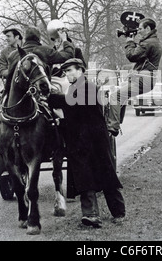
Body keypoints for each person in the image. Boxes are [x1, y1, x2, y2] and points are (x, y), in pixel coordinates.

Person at [0, 26, 75, 170]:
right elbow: (67, 55)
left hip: (16, 96)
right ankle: (65, 142)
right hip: (41, 95)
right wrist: (65, 40)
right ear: (38, 39)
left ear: (23, 38)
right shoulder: (44, 51)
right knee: (60, 117)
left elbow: (6, 74)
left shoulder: (14, 55)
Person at [48, 58, 126, 228]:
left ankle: (119, 212)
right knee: (84, 178)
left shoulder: (88, 87)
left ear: (80, 70)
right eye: (66, 71)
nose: (67, 74)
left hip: (95, 141)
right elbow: (73, 115)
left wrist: (50, 97)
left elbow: (73, 105)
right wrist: (62, 123)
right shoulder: (73, 88)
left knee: (107, 176)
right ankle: (91, 215)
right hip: (79, 142)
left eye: (70, 70)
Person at [107, 18, 162, 136]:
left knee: (114, 97)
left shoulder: (148, 43)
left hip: (143, 79)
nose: (139, 31)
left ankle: (113, 128)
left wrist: (129, 41)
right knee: (121, 96)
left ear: (148, 28)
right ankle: (116, 124)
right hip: (147, 78)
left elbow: (131, 55)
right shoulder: (153, 41)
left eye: (141, 29)